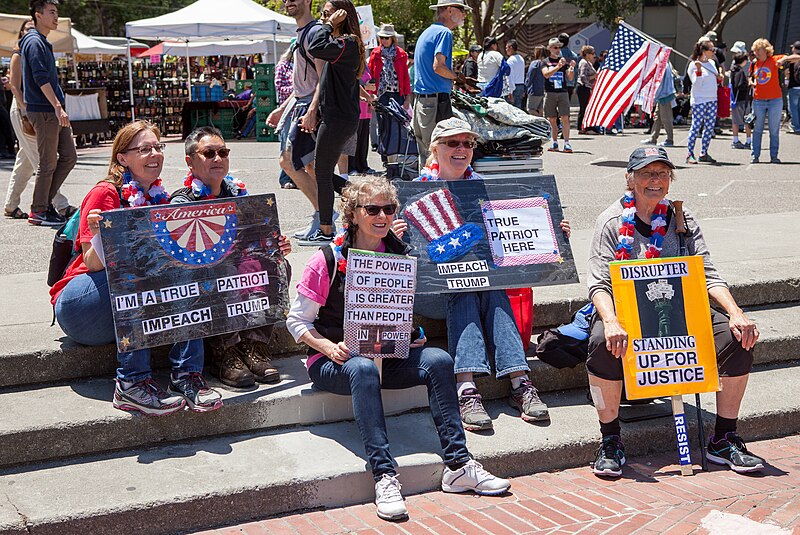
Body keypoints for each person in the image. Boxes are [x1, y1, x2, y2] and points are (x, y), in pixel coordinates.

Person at [286, 175, 510, 521]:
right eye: (372, 208)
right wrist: (328, 347)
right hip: (335, 361)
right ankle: (384, 473)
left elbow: (398, 314)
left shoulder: (400, 256)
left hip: (384, 354)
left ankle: (459, 464)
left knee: (438, 359)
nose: (382, 216)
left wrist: (414, 333)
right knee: (361, 367)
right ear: (353, 213)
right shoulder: (327, 259)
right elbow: (297, 322)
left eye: (389, 209)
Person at [587, 146, 765, 477]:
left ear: (670, 179)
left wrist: (737, 312)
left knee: (736, 336)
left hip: (682, 309)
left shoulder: (682, 218)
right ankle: (610, 440)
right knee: (601, 339)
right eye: (646, 173)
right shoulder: (611, 221)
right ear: (630, 179)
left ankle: (724, 438)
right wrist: (611, 321)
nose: (655, 180)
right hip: (628, 312)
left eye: (662, 174)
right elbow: (599, 284)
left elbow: (707, 274)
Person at [395, 118, 571, 431]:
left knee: (487, 286)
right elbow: (381, 252)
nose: (461, 149)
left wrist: (552, 234)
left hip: (478, 285)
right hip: (429, 294)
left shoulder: (485, 191)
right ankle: (469, 386)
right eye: (453, 143)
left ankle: (516, 380)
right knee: (469, 285)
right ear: (435, 149)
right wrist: (393, 239)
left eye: (468, 143)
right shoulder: (411, 193)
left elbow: (512, 243)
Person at [50, 121, 221, 415]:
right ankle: (132, 383)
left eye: (157, 147)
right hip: (81, 305)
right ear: (122, 158)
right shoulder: (105, 193)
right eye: (144, 149)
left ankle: (187, 377)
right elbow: (92, 262)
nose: (155, 154)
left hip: (123, 310)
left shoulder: (159, 197)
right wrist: (105, 235)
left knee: (187, 266)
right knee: (137, 269)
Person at [170, 126, 291, 387]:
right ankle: (224, 352)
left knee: (276, 263)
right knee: (221, 272)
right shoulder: (181, 202)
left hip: (238, 265)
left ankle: (254, 346)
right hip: (207, 273)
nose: (218, 158)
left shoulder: (237, 193)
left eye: (223, 152)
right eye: (209, 153)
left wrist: (276, 244)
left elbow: (258, 239)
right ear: (190, 162)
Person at [304, 0, 364, 246]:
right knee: (321, 171)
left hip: (339, 119)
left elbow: (315, 46)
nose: (322, 18)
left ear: (341, 15)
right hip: (336, 117)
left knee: (322, 172)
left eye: (327, 13)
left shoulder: (347, 44)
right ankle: (360, 196)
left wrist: (329, 24)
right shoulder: (341, 45)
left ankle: (327, 229)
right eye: (322, 14)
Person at [265, 0, 325, 242]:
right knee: (307, 165)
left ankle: (325, 217)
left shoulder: (313, 32)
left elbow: (323, 77)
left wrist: (312, 110)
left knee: (290, 161)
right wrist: (282, 108)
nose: (289, 2)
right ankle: (324, 217)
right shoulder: (302, 33)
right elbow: (303, 83)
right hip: (300, 105)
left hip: (309, 107)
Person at [4, 19, 72, 221]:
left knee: (25, 160)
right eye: (27, 29)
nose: (30, 32)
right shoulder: (19, 53)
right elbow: (14, 87)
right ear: (21, 33)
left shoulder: (38, 51)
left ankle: (11, 204)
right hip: (23, 107)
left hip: (33, 107)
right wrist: (25, 109)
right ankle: (57, 204)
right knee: (40, 160)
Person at [20, 0, 78, 226]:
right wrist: (57, 106)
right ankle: (39, 210)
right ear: (38, 15)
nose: (56, 17)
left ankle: (45, 203)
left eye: (57, 13)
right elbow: (40, 78)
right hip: (45, 111)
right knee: (47, 163)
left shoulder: (41, 42)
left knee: (69, 156)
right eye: (52, 12)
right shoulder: (34, 41)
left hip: (51, 110)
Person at [411, 0, 469, 167]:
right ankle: (436, 190)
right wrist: (457, 77)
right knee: (439, 152)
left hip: (422, 102)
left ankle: (427, 188)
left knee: (427, 154)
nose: (464, 14)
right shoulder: (444, 33)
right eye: (461, 10)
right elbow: (438, 67)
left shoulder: (427, 32)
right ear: (449, 11)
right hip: (435, 102)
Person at [685, 39, 722, 164]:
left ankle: (704, 152)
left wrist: (719, 78)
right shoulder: (693, 65)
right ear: (703, 51)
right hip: (699, 100)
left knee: (709, 127)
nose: (714, 52)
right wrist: (699, 71)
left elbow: (714, 79)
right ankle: (690, 154)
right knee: (696, 126)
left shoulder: (711, 63)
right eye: (711, 50)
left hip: (712, 98)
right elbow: (696, 83)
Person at [368, 23, 411, 111]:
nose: (384, 40)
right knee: (382, 122)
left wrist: (407, 97)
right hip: (380, 95)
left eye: (386, 37)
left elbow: (405, 77)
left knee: (396, 123)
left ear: (392, 38)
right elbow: (371, 75)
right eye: (381, 37)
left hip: (397, 95)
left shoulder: (401, 54)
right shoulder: (375, 53)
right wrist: (371, 96)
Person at [542, 37, 575, 153]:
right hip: (550, 92)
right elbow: (546, 74)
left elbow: (570, 77)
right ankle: (554, 142)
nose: (558, 50)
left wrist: (571, 68)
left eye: (559, 47)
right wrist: (558, 67)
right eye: (555, 47)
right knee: (552, 119)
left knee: (565, 117)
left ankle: (567, 143)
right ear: (550, 48)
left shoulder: (563, 61)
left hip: (562, 92)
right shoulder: (545, 61)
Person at [273, 45, 298, 188]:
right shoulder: (283, 66)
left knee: (298, 146)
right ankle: (285, 178)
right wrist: (297, 88)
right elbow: (280, 88)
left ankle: (297, 177)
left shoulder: (305, 65)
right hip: (288, 111)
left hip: (302, 111)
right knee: (286, 145)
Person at [641, 63, 677, 147]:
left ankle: (669, 140)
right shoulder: (665, 64)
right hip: (662, 95)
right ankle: (653, 138)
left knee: (666, 118)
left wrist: (654, 97)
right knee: (657, 118)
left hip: (664, 95)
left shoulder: (663, 65)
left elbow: (659, 83)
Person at [729, 53, 753, 149]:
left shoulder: (733, 70)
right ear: (743, 61)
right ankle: (748, 141)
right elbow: (740, 85)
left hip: (734, 99)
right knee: (748, 120)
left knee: (735, 121)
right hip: (742, 99)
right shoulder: (740, 72)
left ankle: (735, 140)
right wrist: (748, 84)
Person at [576, 45, 597, 135]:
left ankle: (587, 126)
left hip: (587, 87)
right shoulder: (584, 63)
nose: (593, 55)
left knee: (586, 107)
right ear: (587, 54)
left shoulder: (588, 63)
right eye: (592, 53)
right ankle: (582, 127)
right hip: (583, 87)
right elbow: (583, 76)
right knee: (584, 108)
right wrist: (594, 76)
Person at [525, 45, 546, 117]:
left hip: (534, 90)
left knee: (530, 109)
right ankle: (542, 124)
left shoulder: (534, 63)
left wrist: (525, 88)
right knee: (540, 109)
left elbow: (529, 77)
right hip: (542, 90)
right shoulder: (545, 63)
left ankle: (541, 120)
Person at [558, 33, 580, 101]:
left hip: (558, 83)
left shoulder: (556, 55)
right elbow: (576, 72)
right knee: (566, 106)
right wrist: (575, 85)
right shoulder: (574, 56)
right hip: (570, 84)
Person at [505, 39, 526, 109]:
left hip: (513, 87)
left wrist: (510, 91)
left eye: (506, 48)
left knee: (511, 109)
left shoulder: (510, 60)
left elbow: (509, 76)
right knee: (518, 109)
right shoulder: (521, 58)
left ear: (511, 47)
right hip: (520, 86)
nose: (506, 50)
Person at [786, 41, 800, 134]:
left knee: (793, 108)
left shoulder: (792, 60)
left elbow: (787, 73)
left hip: (794, 86)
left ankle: (796, 126)